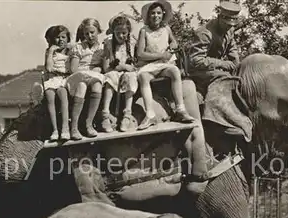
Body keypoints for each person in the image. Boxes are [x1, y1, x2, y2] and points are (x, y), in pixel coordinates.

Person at [135, 0, 196, 130]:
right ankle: (150, 115)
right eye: (152, 13)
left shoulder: (166, 29)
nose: (155, 16)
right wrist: (161, 55)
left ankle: (180, 109)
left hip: (163, 65)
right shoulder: (144, 31)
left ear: (163, 14)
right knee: (143, 77)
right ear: (148, 15)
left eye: (158, 13)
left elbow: (174, 42)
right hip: (149, 65)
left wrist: (173, 45)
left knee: (174, 71)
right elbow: (140, 54)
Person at [188, 0, 241, 97]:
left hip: (213, 70)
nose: (229, 27)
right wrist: (223, 64)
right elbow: (196, 60)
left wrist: (237, 64)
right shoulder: (204, 33)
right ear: (220, 17)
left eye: (232, 25)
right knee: (225, 79)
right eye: (227, 24)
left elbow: (232, 49)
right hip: (197, 72)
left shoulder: (229, 30)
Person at [65, 18, 106, 140]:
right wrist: (88, 73)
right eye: (86, 33)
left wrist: (98, 69)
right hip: (79, 76)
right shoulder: (78, 47)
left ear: (98, 31)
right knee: (82, 86)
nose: (90, 36)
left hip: (94, 76)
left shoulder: (103, 48)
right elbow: (73, 69)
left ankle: (89, 123)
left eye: (92, 32)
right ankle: (74, 126)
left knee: (97, 84)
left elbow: (104, 67)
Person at [101, 14, 139, 132]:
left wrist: (129, 68)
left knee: (131, 77)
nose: (121, 36)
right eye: (118, 33)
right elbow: (106, 67)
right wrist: (122, 66)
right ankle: (105, 115)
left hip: (128, 72)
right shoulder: (109, 44)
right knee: (110, 77)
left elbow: (134, 64)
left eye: (124, 33)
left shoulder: (132, 43)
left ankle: (127, 114)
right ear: (113, 32)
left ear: (128, 32)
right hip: (113, 71)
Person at [43, 25, 72, 142]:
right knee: (50, 95)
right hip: (53, 79)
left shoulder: (70, 51)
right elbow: (49, 68)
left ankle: (65, 128)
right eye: (57, 37)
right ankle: (55, 129)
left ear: (68, 39)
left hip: (65, 79)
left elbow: (71, 69)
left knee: (62, 93)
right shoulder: (50, 52)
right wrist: (50, 52)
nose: (60, 40)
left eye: (63, 37)